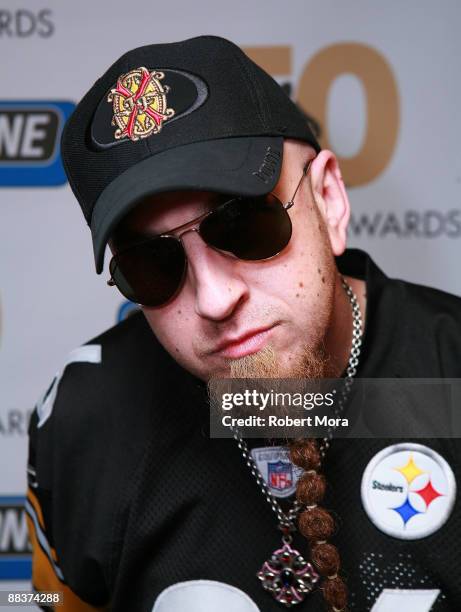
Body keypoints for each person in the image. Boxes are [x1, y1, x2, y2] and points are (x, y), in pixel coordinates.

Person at [26, 36, 461, 612]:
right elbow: (38, 604)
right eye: (153, 266)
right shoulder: (88, 419)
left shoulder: (449, 367)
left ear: (328, 202)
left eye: (244, 227)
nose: (214, 298)